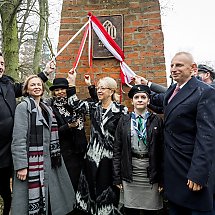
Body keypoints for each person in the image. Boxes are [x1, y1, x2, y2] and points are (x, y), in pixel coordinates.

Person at [147, 52, 215, 214]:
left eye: (179, 65)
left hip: (190, 167)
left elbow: (207, 136)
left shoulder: (204, 92)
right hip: (173, 167)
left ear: (193, 68)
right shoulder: (172, 91)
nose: (174, 69)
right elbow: (166, 108)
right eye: (172, 65)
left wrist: (199, 173)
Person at [11, 75, 75, 215]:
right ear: (26, 90)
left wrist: (72, 84)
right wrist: (21, 166)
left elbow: (66, 101)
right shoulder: (23, 107)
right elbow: (18, 139)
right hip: (31, 163)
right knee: (28, 204)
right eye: (32, 85)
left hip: (49, 161)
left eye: (39, 84)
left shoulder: (47, 108)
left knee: (51, 201)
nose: (37, 87)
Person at [0, 52, 54, 215]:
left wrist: (45, 73)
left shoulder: (8, 83)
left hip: (8, 149)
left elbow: (26, 88)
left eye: (2, 63)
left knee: (5, 189)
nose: (0, 66)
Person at [68, 75, 128, 215]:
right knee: (89, 191)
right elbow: (74, 104)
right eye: (98, 88)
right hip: (92, 158)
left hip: (110, 160)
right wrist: (72, 84)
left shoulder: (121, 110)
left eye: (102, 88)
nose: (99, 91)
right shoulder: (93, 107)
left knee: (106, 192)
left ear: (111, 91)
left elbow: (124, 138)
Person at [113, 85, 164, 215]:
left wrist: (163, 178)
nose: (140, 100)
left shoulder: (156, 120)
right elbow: (117, 149)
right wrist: (117, 177)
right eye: (136, 97)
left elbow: (162, 151)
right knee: (130, 210)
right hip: (131, 171)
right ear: (132, 101)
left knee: (151, 210)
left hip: (150, 172)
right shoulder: (124, 120)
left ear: (148, 101)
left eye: (143, 97)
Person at [48, 75, 88, 192]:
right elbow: (52, 131)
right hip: (66, 150)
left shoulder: (76, 105)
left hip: (81, 147)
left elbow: (96, 104)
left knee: (83, 179)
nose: (60, 92)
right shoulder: (51, 108)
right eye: (57, 90)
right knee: (71, 181)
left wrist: (90, 86)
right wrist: (68, 126)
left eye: (62, 89)